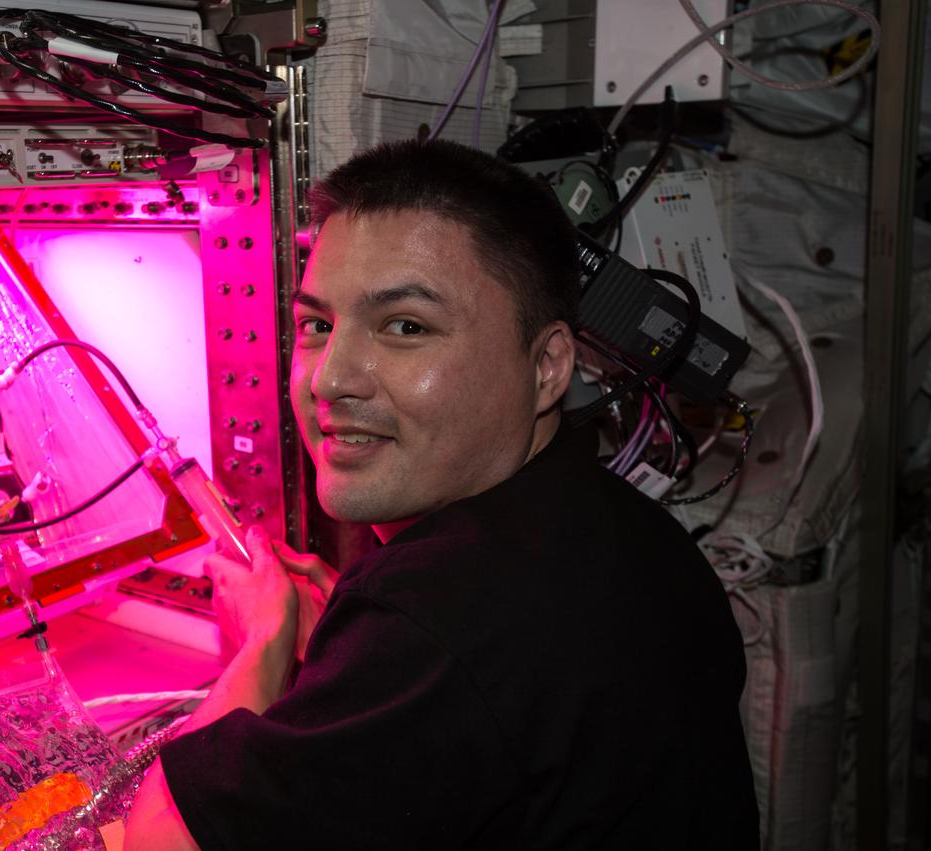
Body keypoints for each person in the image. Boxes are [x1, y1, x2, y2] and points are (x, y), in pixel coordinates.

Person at [124, 139, 758, 849]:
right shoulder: (626, 529)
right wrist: (357, 642)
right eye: (316, 325)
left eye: (405, 327)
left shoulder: (441, 615)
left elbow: (161, 839)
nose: (330, 379)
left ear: (548, 365)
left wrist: (261, 648)